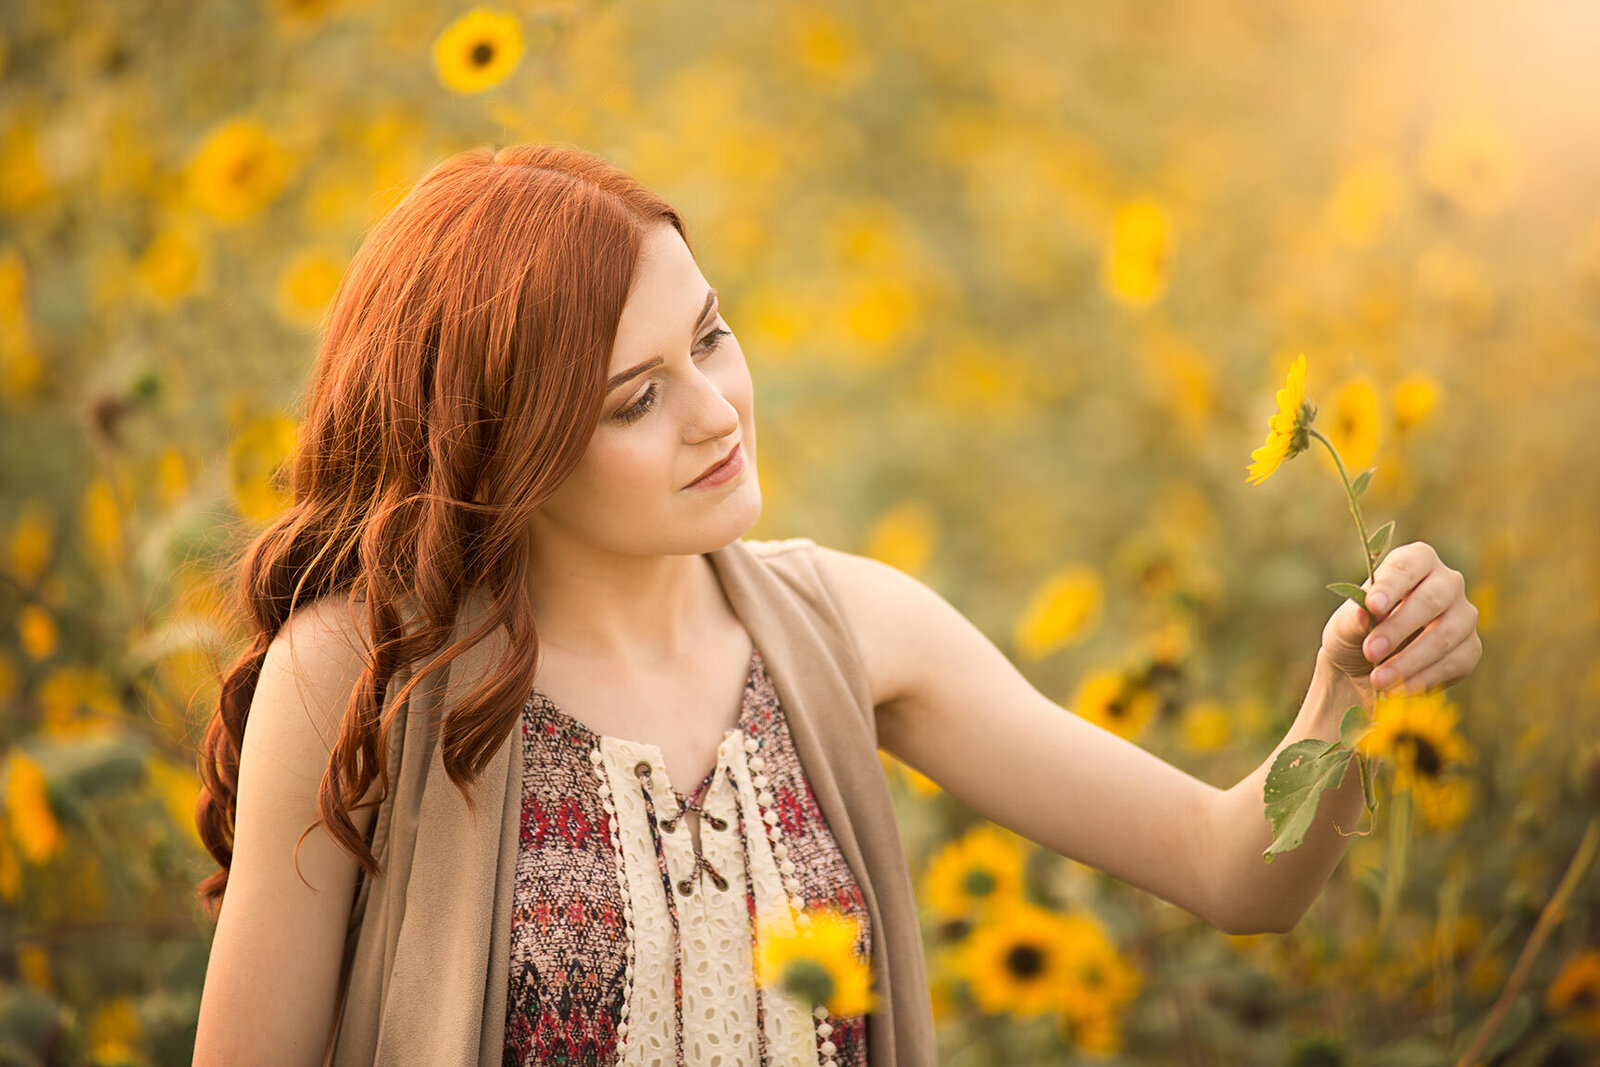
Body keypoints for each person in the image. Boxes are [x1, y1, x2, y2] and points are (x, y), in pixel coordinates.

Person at [188, 144, 1483, 1067]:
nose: (714, 413)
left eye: (710, 337)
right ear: (502, 447)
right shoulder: (366, 670)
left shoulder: (849, 630)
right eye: (632, 400)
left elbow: (1231, 871)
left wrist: (1352, 694)